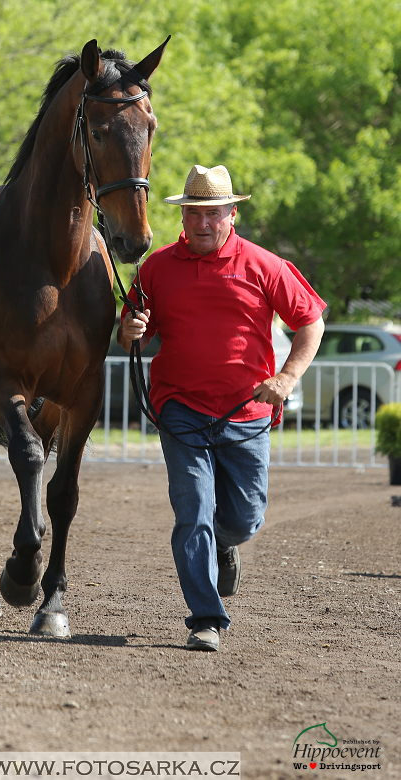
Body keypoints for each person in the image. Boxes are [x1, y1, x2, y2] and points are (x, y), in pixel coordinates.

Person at [118, 164, 326, 652]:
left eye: (214, 213)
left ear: (232, 214)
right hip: (179, 408)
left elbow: (311, 323)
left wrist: (287, 377)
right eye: (195, 213)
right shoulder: (156, 268)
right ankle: (206, 619)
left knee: (247, 517)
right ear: (183, 217)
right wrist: (129, 331)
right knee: (194, 512)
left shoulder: (265, 265)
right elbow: (133, 327)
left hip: (246, 412)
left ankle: (226, 545)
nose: (204, 223)